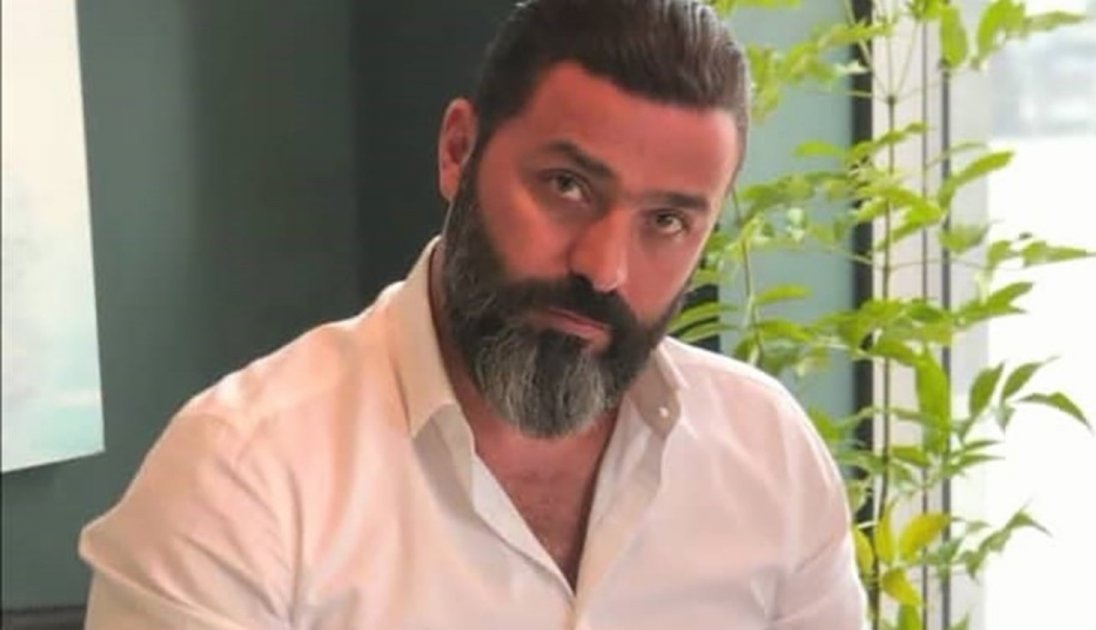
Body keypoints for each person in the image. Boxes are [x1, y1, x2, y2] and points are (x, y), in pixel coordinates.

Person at [78, 0, 866, 627]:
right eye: (567, 186)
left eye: (666, 221)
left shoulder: (768, 454)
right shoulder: (241, 483)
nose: (604, 267)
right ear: (459, 151)